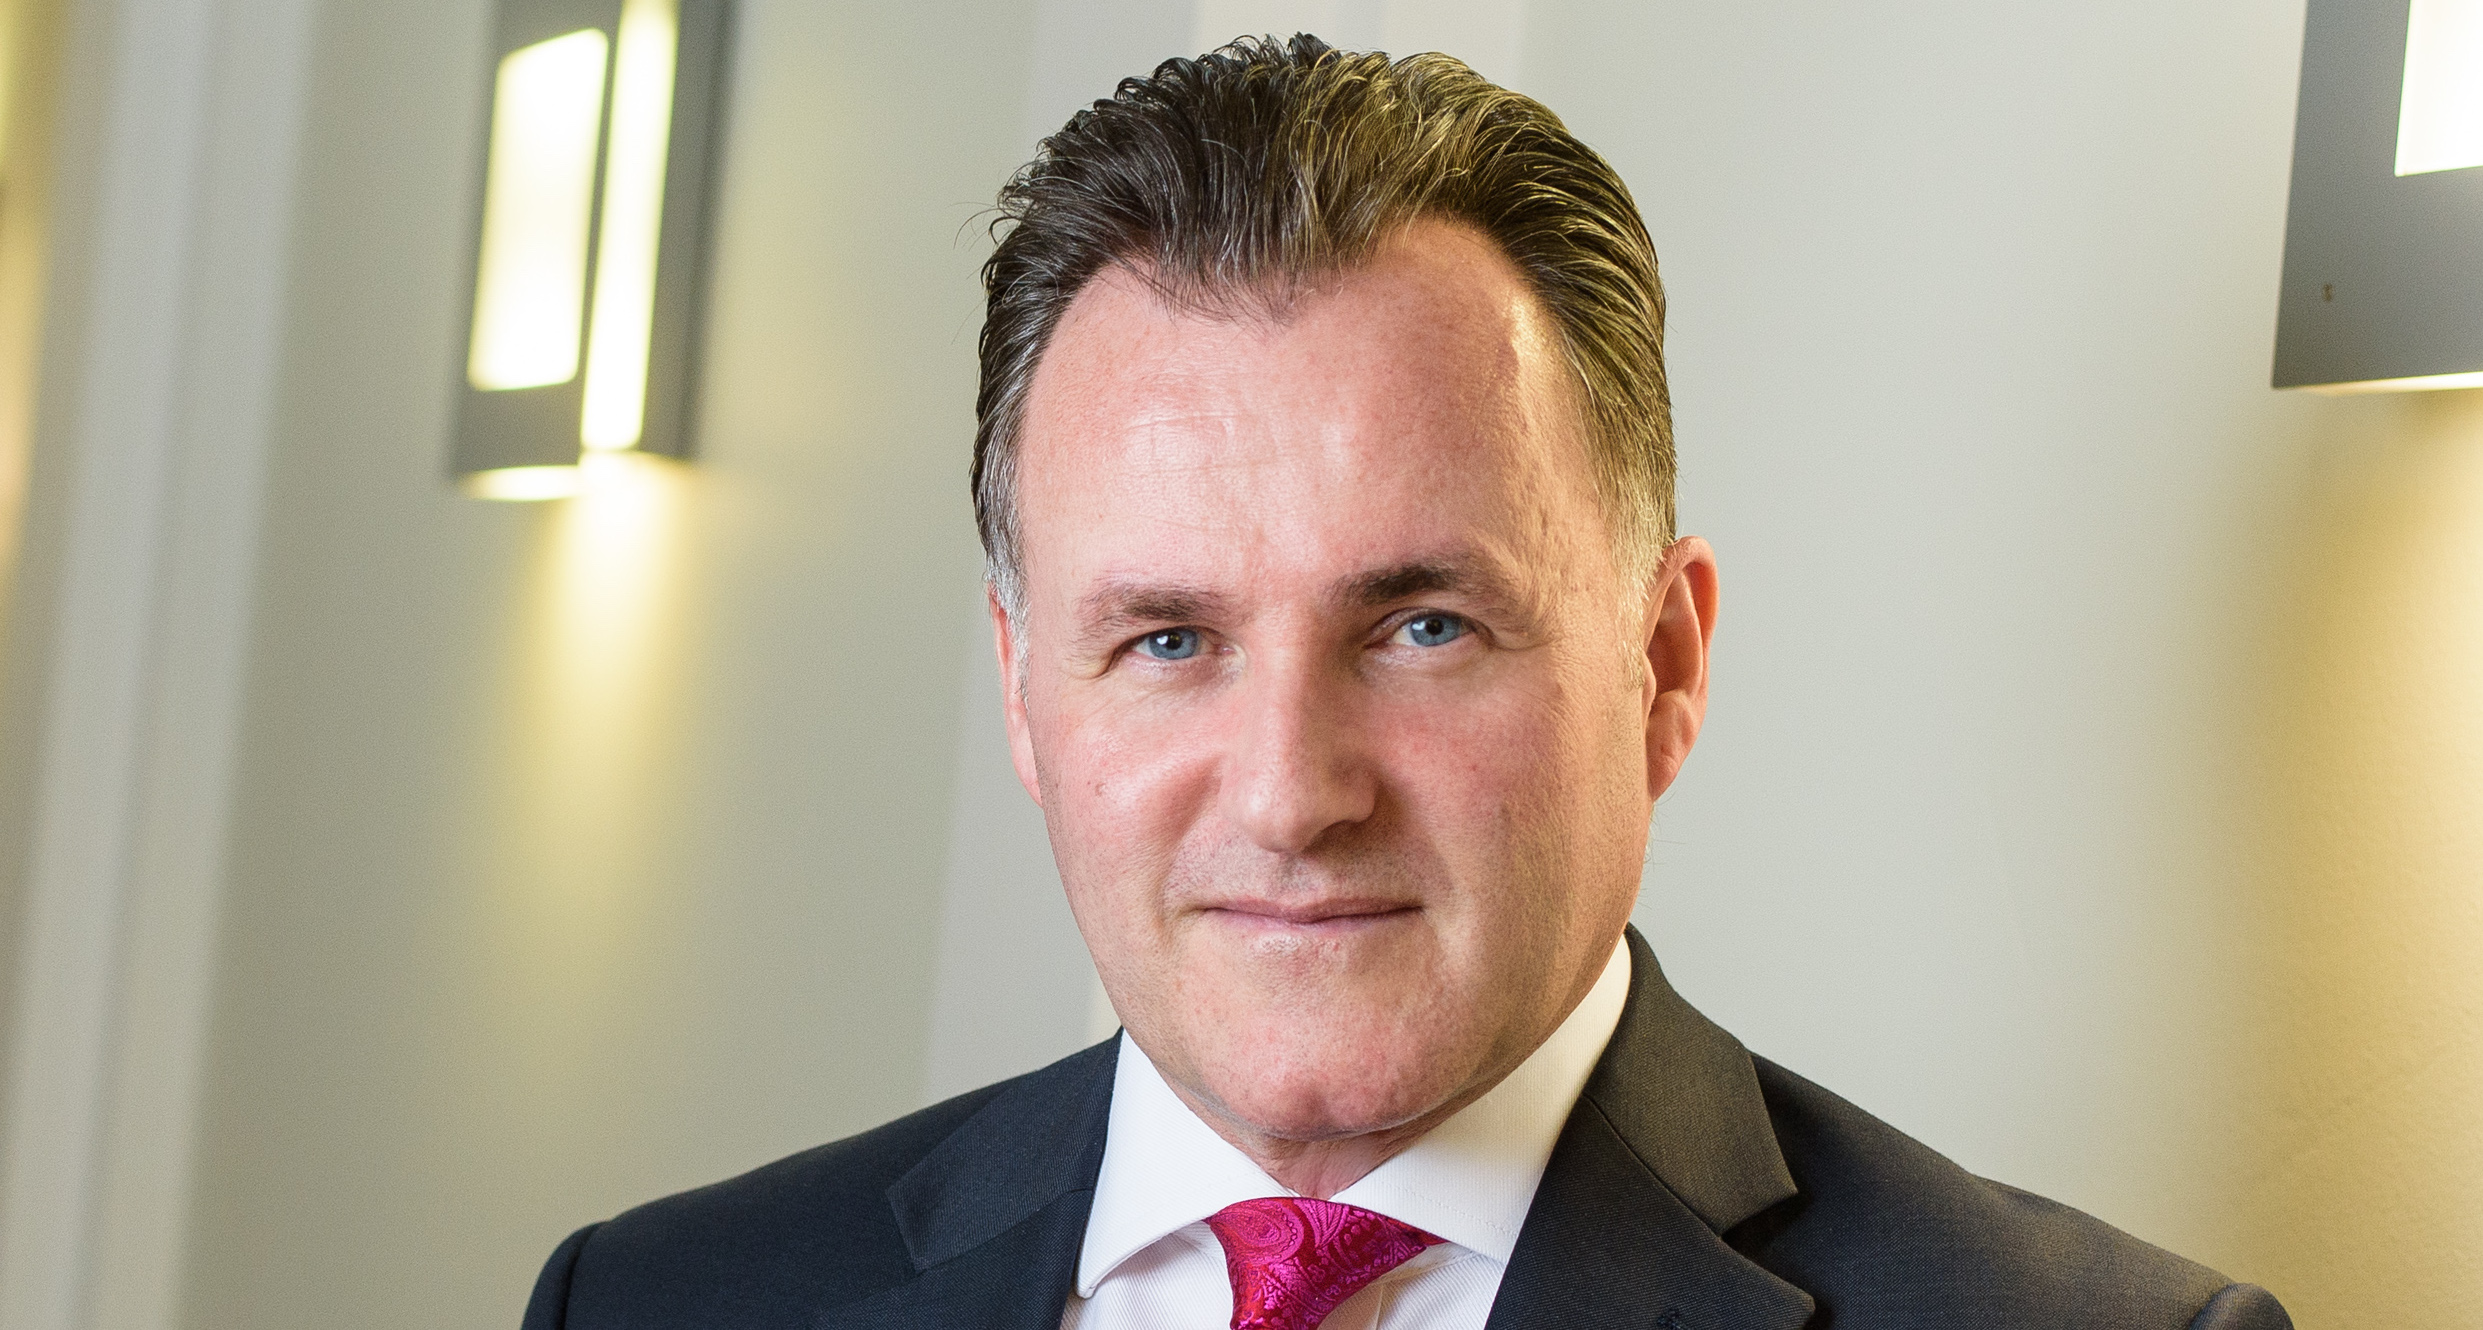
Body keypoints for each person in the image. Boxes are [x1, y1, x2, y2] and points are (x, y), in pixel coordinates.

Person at [521, 36, 2290, 1330]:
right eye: (1168, 640)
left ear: (1664, 665)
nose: (1292, 792)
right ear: (1023, 694)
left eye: (1422, 626)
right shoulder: (659, 1300)